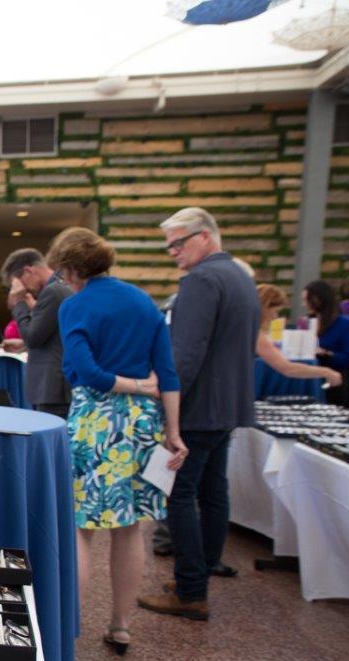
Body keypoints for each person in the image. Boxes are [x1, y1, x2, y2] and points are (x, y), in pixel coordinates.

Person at [51, 227, 187, 654]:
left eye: (61, 271)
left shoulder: (76, 306)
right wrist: (174, 432)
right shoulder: (143, 301)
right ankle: (121, 625)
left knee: (81, 527)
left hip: (96, 421)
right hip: (145, 425)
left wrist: (128, 384)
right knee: (131, 529)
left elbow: (86, 372)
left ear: (72, 269)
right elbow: (168, 373)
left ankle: (68, 631)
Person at [138, 207, 260, 622]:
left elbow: (184, 356)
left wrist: (166, 410)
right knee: (212, 491)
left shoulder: (202, 280)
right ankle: (200, 573)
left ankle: (191, 590)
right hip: (228, 405)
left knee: (180, 495)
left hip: (198, 407)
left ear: (205, 236)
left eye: (178, 242)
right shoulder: (240, 278)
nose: (172, 251)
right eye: (168, 244)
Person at [0, 248, 72, 417]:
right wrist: (24, 345)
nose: (25, 291)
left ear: (28, 271)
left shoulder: (53, 291)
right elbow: (53, 336)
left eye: (18, 284)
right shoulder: (61, 287)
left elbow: (33, 337)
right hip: (57, 387)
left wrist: (19, 303)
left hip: (53, 389)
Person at [254, 283, 342, 388]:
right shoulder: (254, 334)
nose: (275, 316)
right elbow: (288, 368)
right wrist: (327, 372)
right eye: (275, 311)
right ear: (265, 308)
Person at [304, 279, 349, 405]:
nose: (304, 305)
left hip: (336, 381)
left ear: (319, 299)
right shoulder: (308, 322)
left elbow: (347, 357)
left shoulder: (344, 324)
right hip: (310, 376)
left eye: (307, 300)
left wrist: (327, 354)